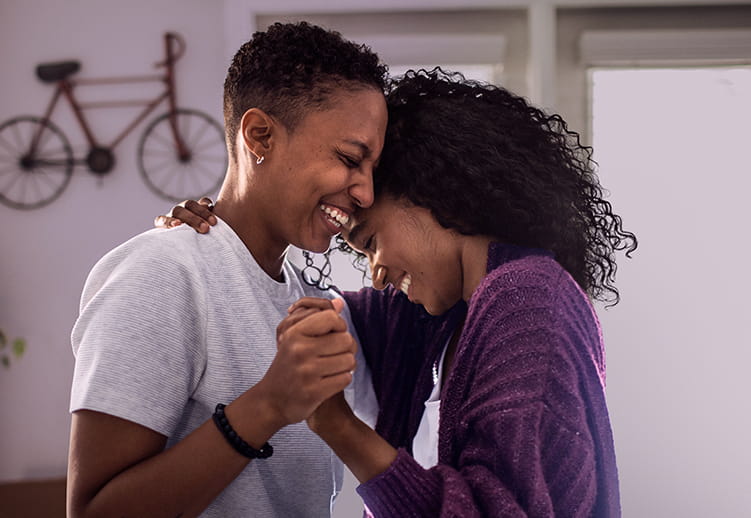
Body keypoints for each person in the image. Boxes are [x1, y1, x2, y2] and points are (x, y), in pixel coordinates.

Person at [165, 69, 637, 517]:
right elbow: (288, 313)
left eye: (370, 243)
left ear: (436, 192)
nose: (375, 274)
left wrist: (339, 427)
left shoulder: (528, 300)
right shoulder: (434, 318)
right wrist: (221, 236)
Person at [68, 22, 387, 517]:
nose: (365, 193)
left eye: (372, 171)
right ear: (260, 135)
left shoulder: (304, 293)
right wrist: (266, 407)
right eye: (349, 158)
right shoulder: (160, 274)